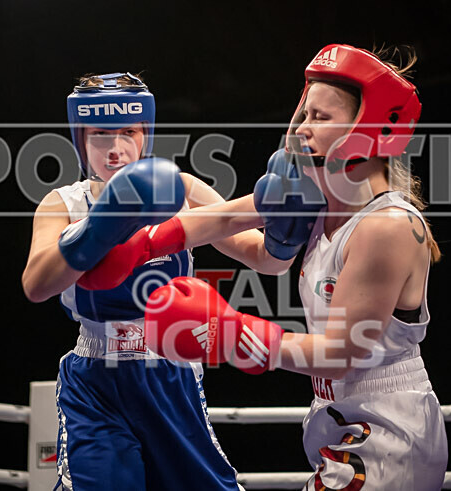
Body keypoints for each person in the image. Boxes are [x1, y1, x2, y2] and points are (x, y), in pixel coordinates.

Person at [140, 44, 449, 490]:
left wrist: (233, 333)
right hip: (342, 417)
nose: (302, 128)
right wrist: (135, 243)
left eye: (320, 118)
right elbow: (232, 227)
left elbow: (341, 354)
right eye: (305, 114)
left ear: (367, 130)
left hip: (387, 428)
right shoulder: (319, 203)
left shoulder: (386, 227)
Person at [21, 72, 287, 490]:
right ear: (80, 138)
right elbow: (36, 285)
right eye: (100, 134)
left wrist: (286, 234)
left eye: (128, 131)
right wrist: (101, 227)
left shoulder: (181, 190)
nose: (115, 147)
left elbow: (264, 259)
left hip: (170, 374)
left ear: (145, 133)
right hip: (95, 381)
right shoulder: (64, 204)